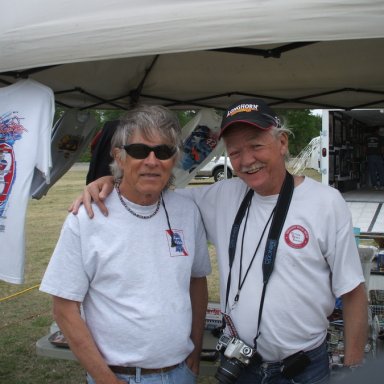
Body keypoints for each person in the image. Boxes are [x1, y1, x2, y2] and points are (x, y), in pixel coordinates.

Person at [72, 98, 368, 384]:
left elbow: (353, 293)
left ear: (282, 143)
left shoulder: (326, 203)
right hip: (241, 367)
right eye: (235, 152)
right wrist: (110, 181)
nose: (247, 160)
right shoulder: (223, 196)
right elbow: (150, 190)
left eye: (256, 146)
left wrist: (352, 368)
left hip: (304, 367)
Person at [40, 105, 211, 384]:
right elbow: (64, 308)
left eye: (164, 152)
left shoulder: (187, 211)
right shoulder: (87, 217)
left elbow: (197, 280)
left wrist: (195, 345)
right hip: (118, 376)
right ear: (119, 156)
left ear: (174, 159)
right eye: (140, 151)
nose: (152, 161)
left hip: (181, 373)